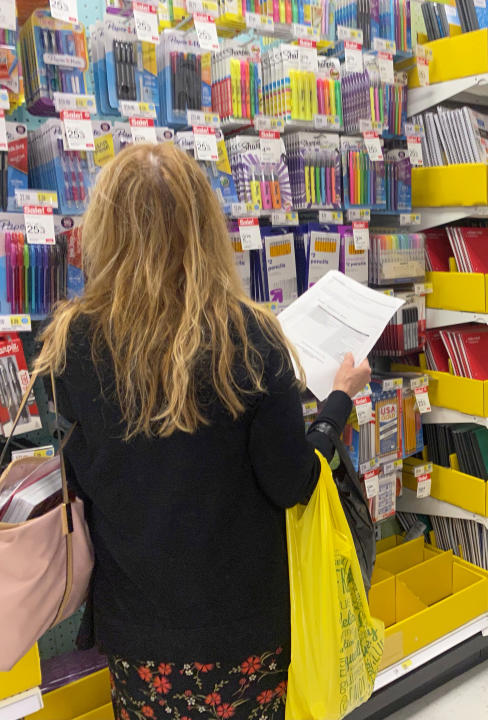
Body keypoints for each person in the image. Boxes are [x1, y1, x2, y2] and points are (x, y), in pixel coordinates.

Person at [33, 142, 371, 720]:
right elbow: (292, 483)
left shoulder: (66, 348)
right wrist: (336, 403)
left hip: (137, 633)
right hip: (245, 631)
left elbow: (86, 481)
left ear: (104, 230)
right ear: (204, 227)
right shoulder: (250, 338)